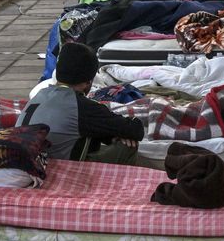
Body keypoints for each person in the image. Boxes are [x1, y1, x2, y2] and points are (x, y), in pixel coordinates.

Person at [16, 42, 145, 163]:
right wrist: (120, 134)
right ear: (89, 81)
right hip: (50, 168)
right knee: (126, 147)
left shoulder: (41, 94)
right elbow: (135, 130)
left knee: (91, 131)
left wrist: (113, 134)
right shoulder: (80, 106)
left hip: (22, 160)